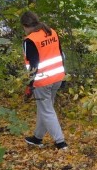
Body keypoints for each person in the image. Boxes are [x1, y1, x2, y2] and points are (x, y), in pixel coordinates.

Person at [20, 11, 68, 150]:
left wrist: (30, 84)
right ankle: (37, 138)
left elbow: (34, 64)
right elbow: (61, 54)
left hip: (42, 80)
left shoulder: (30, 40)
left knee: (47, 111)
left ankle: (61, 143)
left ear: (26, 25)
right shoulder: (51, 32)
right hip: (57, 77)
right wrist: (63, 74)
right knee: (45, 108)